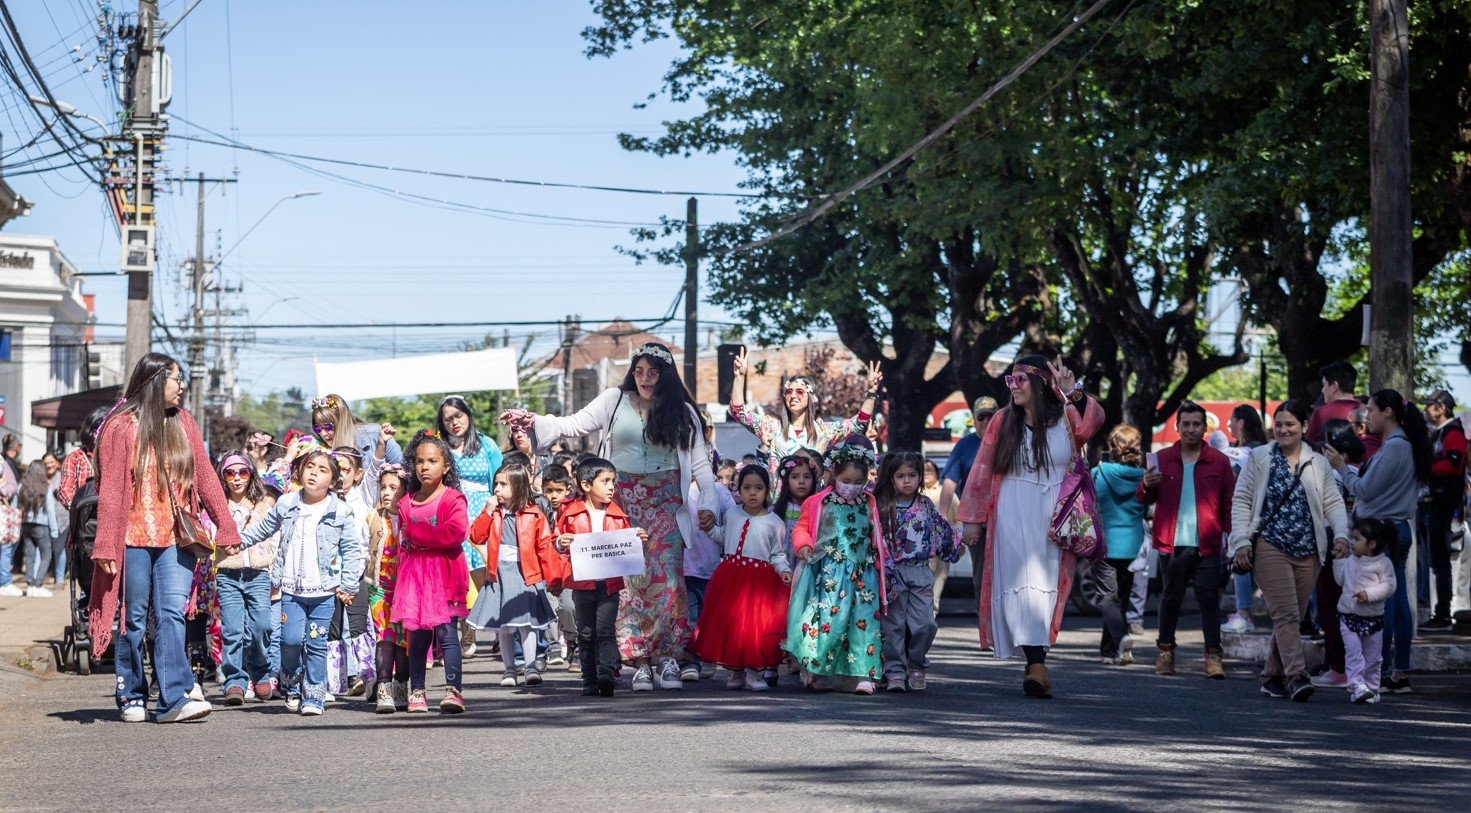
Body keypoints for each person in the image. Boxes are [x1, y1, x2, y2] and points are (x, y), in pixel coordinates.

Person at [501, 342, 717, 693]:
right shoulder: (613, 400)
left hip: (666, 503)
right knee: (628, 586)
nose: (645, 378)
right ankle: (640, 662)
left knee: (670, 583)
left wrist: (708, 504)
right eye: (639, 371)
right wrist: (533, 421)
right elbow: (573, 424)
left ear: (666, 376)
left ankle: (669, 659)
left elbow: (700, 465)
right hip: (620, 501)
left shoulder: (684, 413)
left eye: (653, 372)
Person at [89, 353, 237, 724]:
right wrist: (106, 543)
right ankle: (131, 693)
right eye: (175, 379)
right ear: (155, 381)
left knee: (172, 614)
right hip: (130, 539)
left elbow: (204, 476)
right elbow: (108, 493)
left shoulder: (184, 422)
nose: (181, 385)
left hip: (176, 539)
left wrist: (226, 525)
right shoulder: (120, 427)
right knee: (134, 619)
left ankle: (174, 697)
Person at [959, 356, 1101, 698]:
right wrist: (972, 519)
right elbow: (981, 470)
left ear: (1039, 384)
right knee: (1019, 586)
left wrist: (1075, 393)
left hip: (1053, 514)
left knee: (1046, 587)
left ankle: (1036, 662)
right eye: (1011, 380)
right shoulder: (1001, 421)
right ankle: (1035, 664)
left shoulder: (1066, 417)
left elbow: (1092, 423)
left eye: (1021, 379)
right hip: (1011, 510)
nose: (1014, 386)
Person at [1231, 399, 1350, 702]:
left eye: (1290, 424)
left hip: (1309, 549)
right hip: (1270, 545)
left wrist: (1341, 535)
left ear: (1305, 427)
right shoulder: (1258, 457)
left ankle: (1272, 676)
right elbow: (1242, 500)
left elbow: (1333, 503)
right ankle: (1297, 676)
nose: (1283, 430)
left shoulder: (1319, 462)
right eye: (1279, 424)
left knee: (1291, 616)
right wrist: (1241, 541)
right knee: (1285, 614)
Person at [231, 449, 361, 716]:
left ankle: (313, 695)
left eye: (322, 470)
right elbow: (264, 528)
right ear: (301, 471)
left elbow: (351, 550)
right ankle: (291, 683)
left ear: (334, 480)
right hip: (290, 590)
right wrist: (239, 540)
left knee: (315, 643)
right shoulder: (288, 503)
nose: (314, 472)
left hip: (323, 592)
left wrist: (348, 585)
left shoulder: (340, 511)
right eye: (310, 466)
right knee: (289, 641)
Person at [1322, 390, 1430, 694]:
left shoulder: (1395, 447)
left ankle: (1381, 672)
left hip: (1382, 533)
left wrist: (1340, 467)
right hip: (1392, 529)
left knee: (1380, 606)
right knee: (1394, 603)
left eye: (1370, 410)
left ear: (1388, 412)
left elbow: (1365, 490)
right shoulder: (1399, 446)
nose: (1366, 417)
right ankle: (1397, 672)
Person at [1138, 401, 1236, 680]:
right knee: (1171, 598)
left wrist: (1232, 538)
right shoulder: (1163, 458)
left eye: (1196, 424)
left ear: (1205, 428)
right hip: (1173, 541)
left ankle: (1213, 656)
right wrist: (1146, 484)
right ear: (1178, 427)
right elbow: (1143, 499)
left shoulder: (1219, 461)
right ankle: (1165, 652)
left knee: (1208, 600)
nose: (1191, 429)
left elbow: (1228, 503)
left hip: (1208, 542)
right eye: (1186, 424)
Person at [785, 437, 888, 695]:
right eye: (846, 481)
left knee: (862, 622)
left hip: (863, 575)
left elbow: (875, 534)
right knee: (829, 622)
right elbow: (801, 528)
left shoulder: (869, 503)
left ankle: (862, 674)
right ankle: (818, 671)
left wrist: (878, 559)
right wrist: (803, 545)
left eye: (858, 482)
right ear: (833, 474)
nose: (852, 487)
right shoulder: (818, 501)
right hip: (829, 573)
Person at [691, 464, 792, 692]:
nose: (753, 493)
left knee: (755, 627)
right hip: (731, 578)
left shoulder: (774, 522)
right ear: (739, 490)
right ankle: (735, 672)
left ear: (768, 490)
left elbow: (777, 553)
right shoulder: (732, 514)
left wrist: (783, 570)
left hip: (760, 582)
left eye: (758, 488)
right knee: (731, 624)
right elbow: (722, 537)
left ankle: (754, 672)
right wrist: (708, 528)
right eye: (747, 487)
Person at [554, 457, 648, 697]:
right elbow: (556, 541)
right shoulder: (570, 513)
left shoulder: (619, 515)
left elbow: (626, 547)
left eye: (613, 482)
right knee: (585, 632)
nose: (611, 487)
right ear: (586, 486)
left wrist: (637, 540)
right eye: (605, 481)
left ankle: (606, 673)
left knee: (605, 629)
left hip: (609, 585)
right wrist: (561, 542)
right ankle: (589, 679)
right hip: (582, 583)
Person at [391, 431, 470, 714]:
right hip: (414, 581)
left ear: (446, 466)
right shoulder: (406, 503)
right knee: (419, 638)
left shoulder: (453, 500)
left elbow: (454, 533)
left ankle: (453, 691)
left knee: (448, 635)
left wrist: (416, 531)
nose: (425, 467)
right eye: (420, 461)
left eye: (432, 461)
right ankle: (417, 692)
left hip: (445, 578)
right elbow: (402, 544)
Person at [467, 462, 563, 689]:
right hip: (498, 573)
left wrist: (553, 578)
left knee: (527, 623)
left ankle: (530, 666)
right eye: (496, 484)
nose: (497, 489)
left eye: (503, 484)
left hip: (524, 573)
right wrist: (488, 511)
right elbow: (476, 536)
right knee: (504, 627)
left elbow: (545, 548)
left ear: (519, 487)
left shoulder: (534, 514)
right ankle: (509, 668)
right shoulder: (493, 512)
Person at [874, 451, 959, 692]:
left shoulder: (924, 504)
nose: (907, 480)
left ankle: (917, 662)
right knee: (894, 626)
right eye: (900, 476)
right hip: (892, 573)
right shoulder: (881, 505)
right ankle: (895, 672)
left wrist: (960, 538)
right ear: (891, 478)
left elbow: (942, 530)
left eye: (912, 475)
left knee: (925, 624)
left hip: (921, 570)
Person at [727, 347, 884, 475]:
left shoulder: (824, 431)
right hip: (778, 505)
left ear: (811, 398)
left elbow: (859, 423)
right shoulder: (771, 427)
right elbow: (738, 412)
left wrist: (871, 392)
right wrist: (739, 377)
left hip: (812, 505)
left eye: (800, 392)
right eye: (789, 392)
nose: (793, 396)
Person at [214, 451, 278, 705]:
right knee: (232, 630)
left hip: (258, 572)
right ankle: (234, 682)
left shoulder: (264, 503)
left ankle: (260, 672)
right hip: (228, 573)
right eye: (230, 473)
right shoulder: (217, 504)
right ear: (223, 476)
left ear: (251, 475)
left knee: (262, 626)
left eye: (243, 472)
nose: (237, 478)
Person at [1093, 425, 1148, 665]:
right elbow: (1145, 508)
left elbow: (1089, 504)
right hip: (1133, 542)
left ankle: (1121, 636)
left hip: (1105, 541)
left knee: (1106, 598)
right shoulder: (1146, 477)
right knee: (1121, 597)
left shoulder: (1099, 473)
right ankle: (1110, 650)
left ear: (1113, 449)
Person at [940, 397, 1000, 600]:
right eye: (981, 417)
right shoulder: (965, 445)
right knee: (982, 580)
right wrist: (943, 513)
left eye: (990, 416)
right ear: (973, 419)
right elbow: (950, 481)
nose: (985, 421)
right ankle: (986, 629)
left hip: (1006, 521)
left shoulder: (1009, 442)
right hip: (977, 524)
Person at [1334, 518, 1398, 703]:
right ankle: (1357, 685)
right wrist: (1338, 561)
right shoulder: (1350, 561)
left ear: (1371, 544)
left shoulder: (1383, 563)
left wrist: (1369, 594)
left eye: (1356, 539)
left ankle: (1371, 687)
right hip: (1348, 616)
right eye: (1351, 538)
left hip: (1373, 618)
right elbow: (1340, 580)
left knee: (1373, 657)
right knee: (1353, 653)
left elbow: (1389, 586)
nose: (1352, 542)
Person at [1421, 390, 1466, 630]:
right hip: (1434, 504)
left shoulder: (1453, 432)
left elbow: (1453, 465)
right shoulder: (1440, 432)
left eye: (1429, 405)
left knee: (1440, 561)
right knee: (1435, 561)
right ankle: (1439, 612)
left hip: (1444, 506)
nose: (1426, 410)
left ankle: (1442, 614)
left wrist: (1426, 466)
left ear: (1441, 408)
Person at [368, 464, 410, 713]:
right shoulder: (373, 517)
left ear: (405, 490)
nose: (386, 492)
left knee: (404, 642)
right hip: (380, 589)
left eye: (393, 488)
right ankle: (383, 686)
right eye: (383, 487)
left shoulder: (411, 517)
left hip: (406, 591)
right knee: (384, 639)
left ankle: (401, 685)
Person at [310, 394, 404, 466]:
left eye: (327, 427)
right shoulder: (318, 448)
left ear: (342, 422)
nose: (323, 434)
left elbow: (402, 469)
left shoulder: (376, 435)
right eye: (317, 428)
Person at [18, 461, 57, 598]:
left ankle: (29, 584)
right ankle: (38, 584)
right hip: (42, 525)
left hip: (26, 524)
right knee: (46, 554)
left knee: (30, 555)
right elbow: (51, 510)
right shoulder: (45, 487)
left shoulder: (22, 486)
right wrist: (54, 530)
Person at [1306, 360, 1361, 444]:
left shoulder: (1321, 413)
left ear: (1334, 386)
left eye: (1324, 385)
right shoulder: (1366, 411)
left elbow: (1310, 445)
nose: (1322, 390)